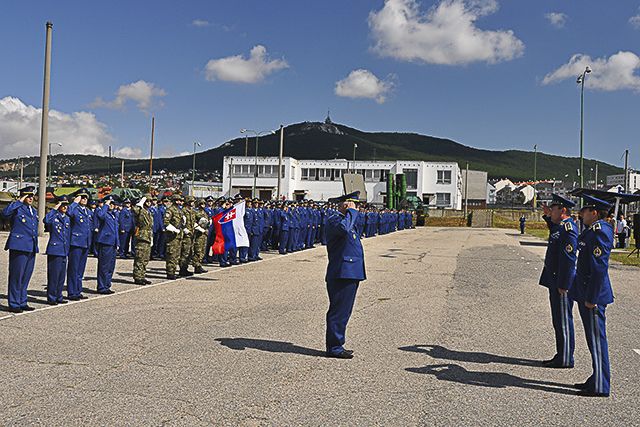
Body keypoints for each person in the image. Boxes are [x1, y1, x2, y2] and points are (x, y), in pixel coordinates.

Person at [569, 195, 614, 397]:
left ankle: (601, 385)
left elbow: (599, 268)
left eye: (585, 210)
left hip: (592, 296)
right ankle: (597, 377)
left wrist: (592, 298)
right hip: (586, 292)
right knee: (592, 339)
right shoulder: (592, 231)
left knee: (597, 340)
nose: (581, 214)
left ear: (594, 213)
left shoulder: (600, 231)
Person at [324, 191, 366, 359]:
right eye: (354, 204)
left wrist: (351, 213)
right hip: (342, 272)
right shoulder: (335, 220)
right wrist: (351, 212)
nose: (357, 208)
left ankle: (338, 343)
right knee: (339, 312)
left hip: (350, 272)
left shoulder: (346, 220)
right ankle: (334, 347)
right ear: (345, 204)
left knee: (344, 311)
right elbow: (344, 229)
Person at [539, 194, 578, 368]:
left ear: (563, 210)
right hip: (554, 280)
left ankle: (566, 358)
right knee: (558, 320)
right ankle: (561, 353)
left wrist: (564, 284)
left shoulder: (568, 228)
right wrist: (548, 215)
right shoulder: (559, 226)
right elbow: (553, 229)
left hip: (561, 283)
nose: (550, 211)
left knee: (563, 320)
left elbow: (569, 260)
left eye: (553, 209)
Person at [2, 186, 39, 312]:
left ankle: (22, 301)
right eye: (27, 196)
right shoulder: (17, 208)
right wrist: (19, 201)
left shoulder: (33, 210)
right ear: (23, 196)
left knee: (26, 276)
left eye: (31, 196)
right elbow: (5, 213)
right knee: (16, 276)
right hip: (19, 246)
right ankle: (14, 303)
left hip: (31, 246)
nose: (30, 198)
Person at [43, 196, 71, 305]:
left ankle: (59, 296)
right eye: (63, 205)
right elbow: (46, 220)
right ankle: (51, 297)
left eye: (66, 205)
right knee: (54, 275)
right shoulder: (54, 216)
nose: (65, 207)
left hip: (64, 249)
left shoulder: (67, 218)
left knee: (61, 276)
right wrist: (55, 208)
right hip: (55, 249)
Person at [66, 189, 92, 300]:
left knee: (80, 269)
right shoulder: (74, 209)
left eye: (86, 197)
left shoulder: (88, 211)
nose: (84, 199)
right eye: (82, 197)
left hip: (85, 242)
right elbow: (68, 213)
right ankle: (72, 292)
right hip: (76, 243)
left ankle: (78, 290)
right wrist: (74, 203)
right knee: (73, 268)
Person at [94, 195, 119, 294]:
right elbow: (100, 216)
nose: (111, 205)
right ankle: (101, 287)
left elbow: (115, 230)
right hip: (105, 242)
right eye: (110, 203)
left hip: (112, 243)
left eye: (113, 203)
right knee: (104, 266)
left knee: (110, 266)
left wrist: (117, 243)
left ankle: (107, 285)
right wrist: (106, 205)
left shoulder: (113, 215)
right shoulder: (102, 212)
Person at [132, 195, 154, 285]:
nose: (149, 203)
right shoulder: (140, 210)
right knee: (139, 257)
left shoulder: (148, 212)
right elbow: (134, 210)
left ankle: (142, 276)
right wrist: (140, 202)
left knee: (145, 258)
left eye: (150, 201)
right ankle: (137, 277)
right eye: (147, 201)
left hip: (148, 236)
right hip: (141, 236)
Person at [163, 194, 184, 280]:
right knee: (171, 255)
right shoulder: (170, 210)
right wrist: (174, 229)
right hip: (172, 236)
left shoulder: (179, 210)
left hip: (178, 236)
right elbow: (166, 222)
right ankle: (170, 273)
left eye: (180, 200)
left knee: (176, 255)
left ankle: (173, 271)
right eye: (177, 200)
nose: (179, 202)